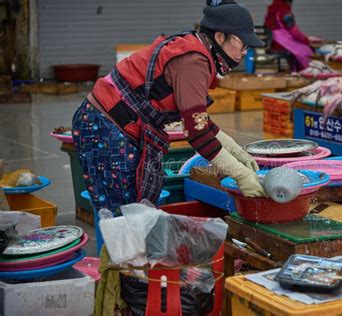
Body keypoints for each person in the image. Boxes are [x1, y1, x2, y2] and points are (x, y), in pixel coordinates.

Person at [72, 0, 267, 216]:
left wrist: (236, 151)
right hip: (105, 127)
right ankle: (123, 250)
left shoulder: (195, 48)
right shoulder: (194, 62)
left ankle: (128, 250)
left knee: (130, 216)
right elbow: (197, 132)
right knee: (122, 216)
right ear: (220, 36)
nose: (244, 52)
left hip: (108, 122)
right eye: (243, 44)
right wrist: (240, 174)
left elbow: (197, 119)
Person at [264, 0, 318, 71]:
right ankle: (304, 71)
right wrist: (306, 40)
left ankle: (295, 69)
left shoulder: (270, 11)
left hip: (274, 43)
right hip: (282, 45)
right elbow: (295, 33)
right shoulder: (285, 13)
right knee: (307, 50)